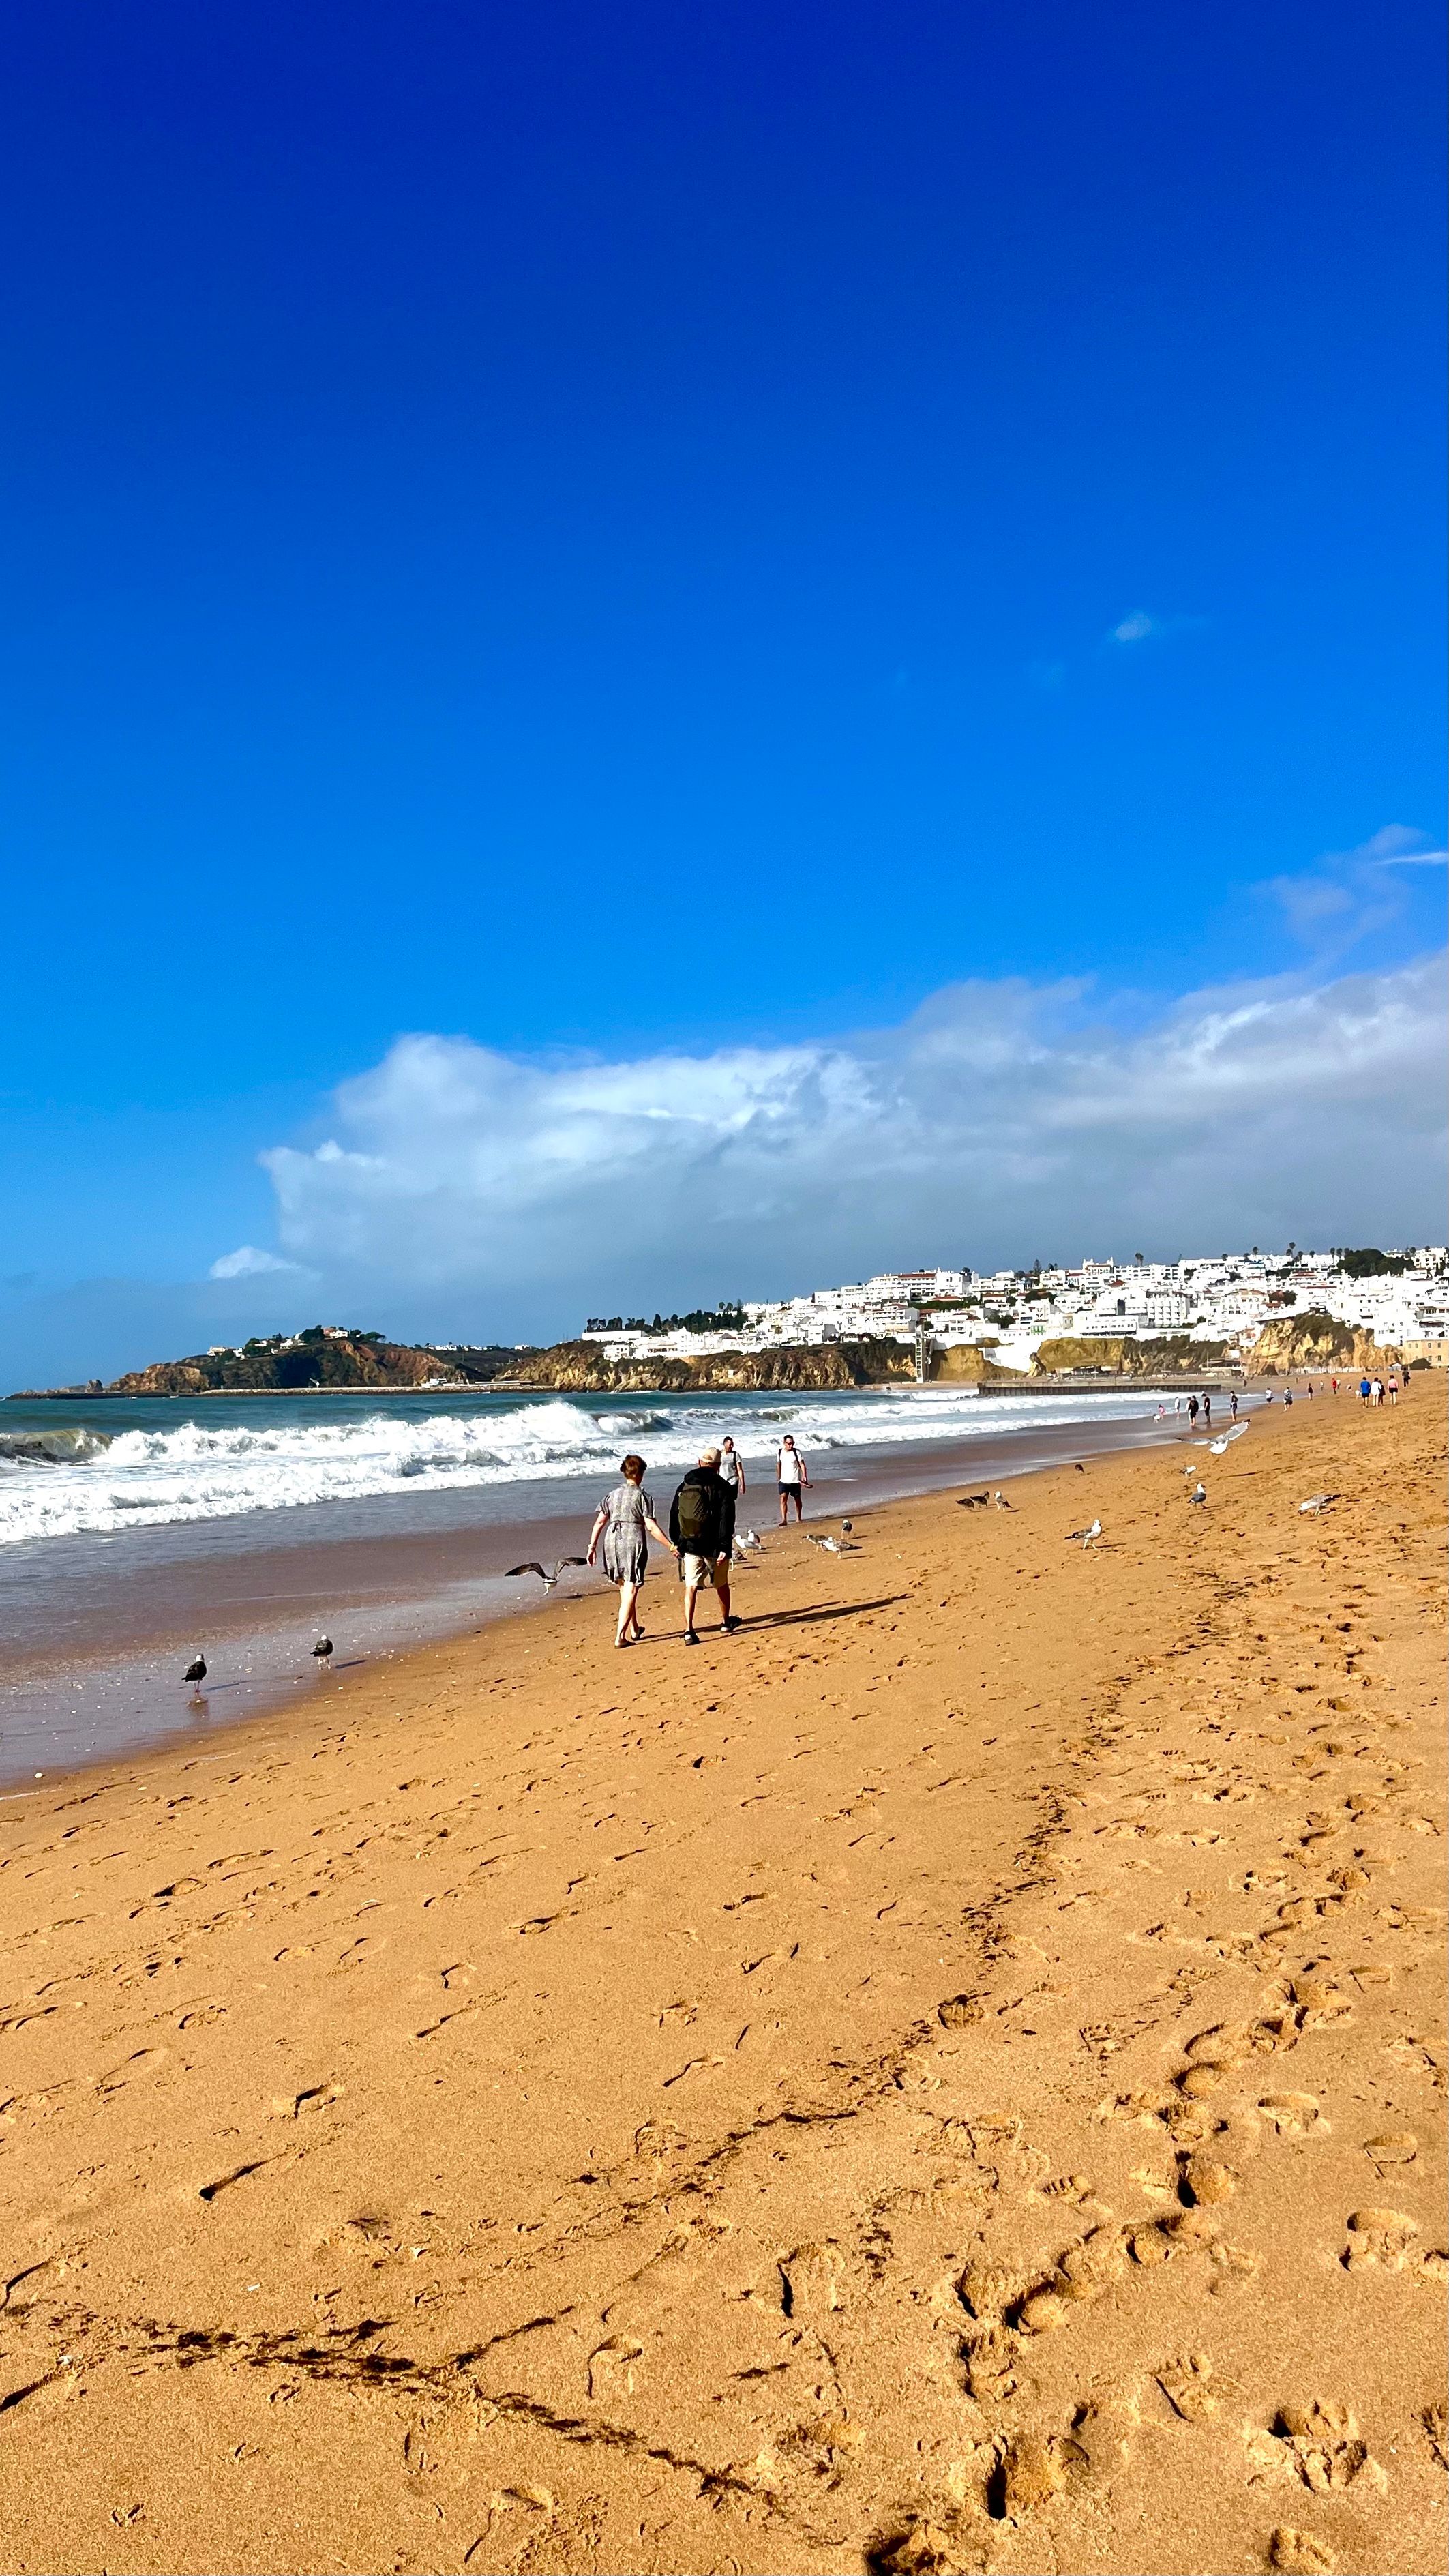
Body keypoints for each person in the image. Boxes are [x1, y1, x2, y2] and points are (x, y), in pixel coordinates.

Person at [587, 1454, 676, 1648]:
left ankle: (634, 1628)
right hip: (632, 1539)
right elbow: (651, 1527)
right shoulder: (642, 1497)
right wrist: (669, 1545)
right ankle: (620, 1637)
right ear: (640, 1474)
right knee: (632, 1586)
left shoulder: (612, 1495)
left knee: (624, 1586)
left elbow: (600, 1522)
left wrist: (592, 1547)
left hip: (611, 1539)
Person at [668, 1447, 739, 1646]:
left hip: (690, 1545)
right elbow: (727, 1518)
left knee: (690, 1588)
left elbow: (675, 1515)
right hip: (715, 1546)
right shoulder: (722, 1486)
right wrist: (725, 1547)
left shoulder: (684, 1484)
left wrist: (678, 1542)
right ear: (717, 1466)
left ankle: (689, 1630)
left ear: (699, 1462)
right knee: (722, 1584)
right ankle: (726, 1622)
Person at [777, 1432, 809, 1523]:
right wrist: (779, 1477)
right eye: (789, 1444)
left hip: (795, 1480)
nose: (791, 1445)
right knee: (783, 1497)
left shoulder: (796, 1452)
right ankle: (784, 1520)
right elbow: (778, 1465)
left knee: (797, 1499)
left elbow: (802, 1464)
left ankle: (798, 1517)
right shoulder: (780, 1452)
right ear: (784, 1443)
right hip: (784, 1480)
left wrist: (804, 1476)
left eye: (792, 1443)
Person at [718, 1435, 747, 1499]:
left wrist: (742, 1484)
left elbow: (740, 1470)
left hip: (733, 1481)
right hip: (722, 1481)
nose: (732, 1446)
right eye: (730, 1445)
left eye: (732, 1444)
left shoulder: (735, 1455)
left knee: (731, 1501)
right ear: (725, 1444)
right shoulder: (719, 1454)